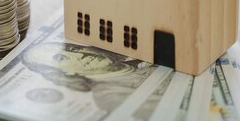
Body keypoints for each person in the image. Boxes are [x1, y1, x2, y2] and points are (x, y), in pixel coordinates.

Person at [21, 42, 154, 112]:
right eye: (61, 58)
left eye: (72, 49)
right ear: (64, 72)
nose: (80, 55)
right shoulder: (111, 96)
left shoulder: (136, 61)